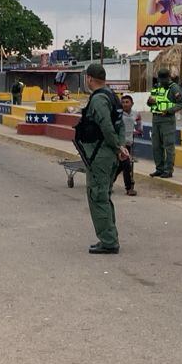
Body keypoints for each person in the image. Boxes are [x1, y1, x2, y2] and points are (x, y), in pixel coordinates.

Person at [74, 63, 129, 253]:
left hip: (100, 154)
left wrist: (116, 147)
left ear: (89, 78)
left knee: (97, 196)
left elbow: (106, 126)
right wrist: (120, 146)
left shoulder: (98, 100)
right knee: (104, 196)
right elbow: (120, 125)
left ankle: (108, 241)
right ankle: (109, 236)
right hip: (109, 153)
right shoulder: (112, 96)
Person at [146, 69, 182, 177]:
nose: (162, 81)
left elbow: (181, 104)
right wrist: (149, 102)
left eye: (164, 78)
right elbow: (150, 102)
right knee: (156, 146)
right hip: (156, 119)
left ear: (169, 77)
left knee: (168, 145)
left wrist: (168, 110)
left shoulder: (174, 88)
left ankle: (168, 170)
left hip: (167, 120)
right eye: (160, 78)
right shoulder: (156, 87)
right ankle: (159, 168)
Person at [114, 94, 138, 196]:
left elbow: (139, 126)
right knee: (126, 165)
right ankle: (129, 188)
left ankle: (109, 182)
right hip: (120, 144)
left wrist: (136, 131)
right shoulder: (118, 115)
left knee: (121, 166)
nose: (125, 104)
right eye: (123, 102)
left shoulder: (135, 114)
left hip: (129, 143)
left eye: (127, 102)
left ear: (132, 104)